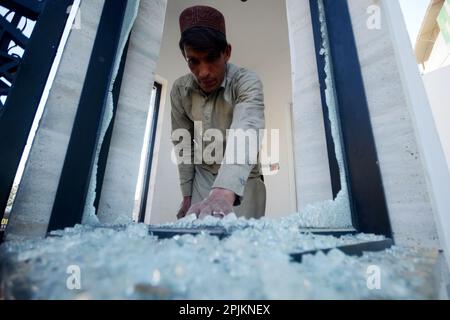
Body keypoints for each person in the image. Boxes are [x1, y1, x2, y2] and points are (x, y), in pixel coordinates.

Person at [171, 5, 266, 220]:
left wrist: (224, 191)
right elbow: (182, 143)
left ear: (227, 53)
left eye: (211, 58)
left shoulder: (246, 81)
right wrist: (187, 195)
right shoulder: (179, 90)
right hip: (202, 176)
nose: (203, 72)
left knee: (241, 246)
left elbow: (248, 129)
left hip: (244, 179)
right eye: (193, 61)